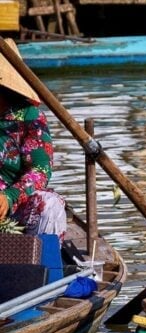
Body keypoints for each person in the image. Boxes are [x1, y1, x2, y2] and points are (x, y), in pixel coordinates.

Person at [0, 39, 65, 239]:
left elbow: (40, 171)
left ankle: (43, 267)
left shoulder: (29, 117)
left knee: (49, 206)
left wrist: (8, 198)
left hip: (12, 206)